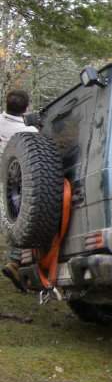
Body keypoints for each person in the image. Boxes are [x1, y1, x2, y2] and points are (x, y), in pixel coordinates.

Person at [0, 90, 38, 291]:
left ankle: (19, 264)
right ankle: (16, 263)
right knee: (27, 221)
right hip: (16, 182)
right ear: (26, 108)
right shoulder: (29, 132)